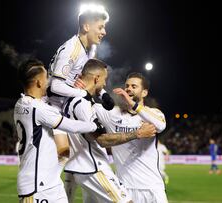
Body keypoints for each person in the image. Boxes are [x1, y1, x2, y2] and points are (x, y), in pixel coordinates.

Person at [63, 59, 156, 203]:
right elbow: (102, 140)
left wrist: (101, 94)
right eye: (104, 79)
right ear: (96, 78)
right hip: (93, 167)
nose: (105, 84)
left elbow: (105, 103)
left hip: (81, 168)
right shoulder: (83, 104)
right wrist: (137, 134)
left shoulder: (74, 100)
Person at [14, 59, 102, 203]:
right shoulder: (39, 109)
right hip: (36, 186)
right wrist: (94, 126)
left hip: (51, 182)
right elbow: (71, 126)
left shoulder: (21, 103)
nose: (49, 82)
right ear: (39, 82)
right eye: (46, 78)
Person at [48, 3, 113, 159]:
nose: (104, 32)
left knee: (79, 152)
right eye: (100, 27)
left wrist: (103, 94)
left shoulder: (90, 49)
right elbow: (55, 86)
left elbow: (91, 75)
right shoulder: (72, 49)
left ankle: (68, 183)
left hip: (69, 103)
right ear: (86, 27)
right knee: (63, 153)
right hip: (52, 106)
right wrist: (83, 93)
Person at [94, 72, 169, 203]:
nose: (128, 89)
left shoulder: (153, 114)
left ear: (144, 93)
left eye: (134, 86)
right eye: (127, 86)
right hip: (124, 189)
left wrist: (132, 103)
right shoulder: (113, 114)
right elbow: (87, 104)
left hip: (152, 188)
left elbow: (161, 125)